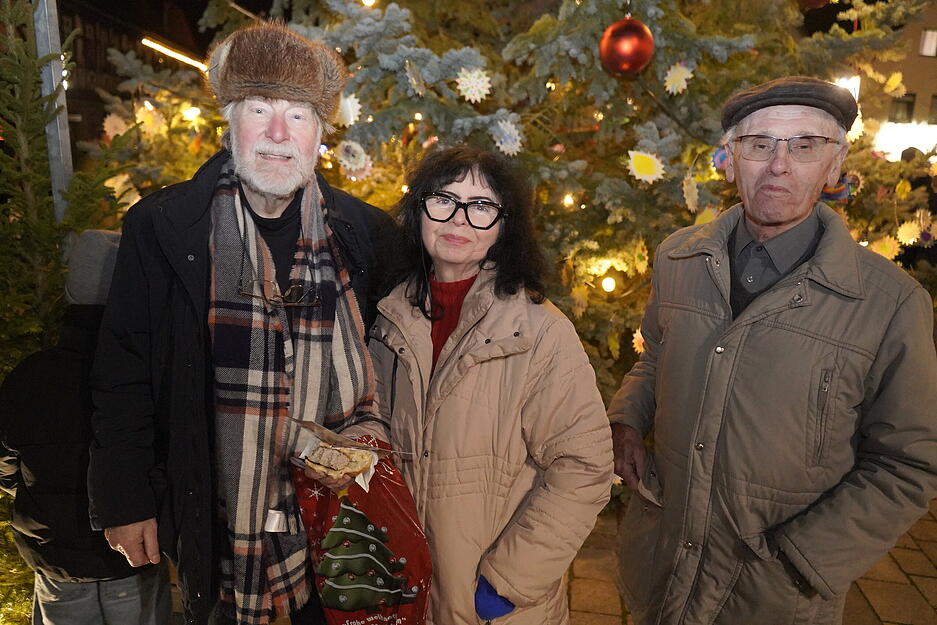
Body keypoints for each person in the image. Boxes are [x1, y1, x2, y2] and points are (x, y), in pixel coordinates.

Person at [87, 22, 395, 625]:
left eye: (299, 115)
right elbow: (123, 372)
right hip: (215, 521)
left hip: (338, 524)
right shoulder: (164, 227)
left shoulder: (365, 234)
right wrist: (125, 499)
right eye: (260, 109)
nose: (279, 134)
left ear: (320, 133)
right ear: (230, 120)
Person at [609, 75, 937, 625]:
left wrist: (804, 558)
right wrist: (626, 419)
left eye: (804, 146)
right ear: (731, 159)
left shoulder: (889, 302)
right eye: (759, 145)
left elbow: (909, 462)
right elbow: (656, 356)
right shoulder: (679, 259)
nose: (778, 166)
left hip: (775, 597)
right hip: (663, 570)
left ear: (835, 165)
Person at [367, 146, 614, 625]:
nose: (459, 220)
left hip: (491, 606)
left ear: (504, 225)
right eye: (444, 200)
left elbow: (584, 466)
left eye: (481, 207)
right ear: (419, 208)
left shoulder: (538, 331)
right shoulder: (388, 319)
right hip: (403, 592)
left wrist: (508, 583)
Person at [0, 229, 171, 625]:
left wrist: (30, 494)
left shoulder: (32, 374)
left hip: (55, 554)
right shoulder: (146, 374)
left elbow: (5, 458)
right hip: (132, 553)